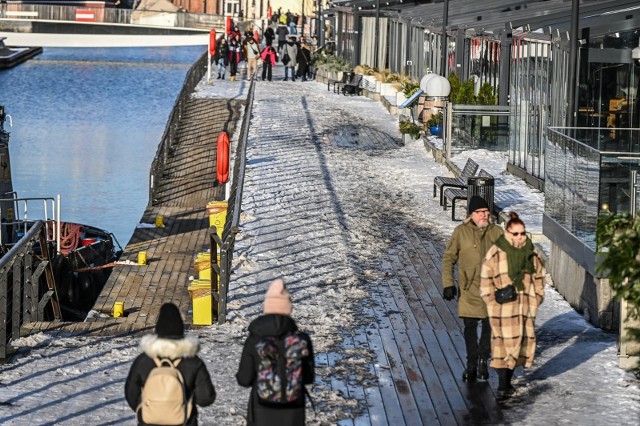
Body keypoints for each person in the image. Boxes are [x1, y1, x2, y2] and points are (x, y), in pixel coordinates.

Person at [480, 212, 545, 400]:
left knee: (518, 345)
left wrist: (537, 297)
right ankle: (503, 386)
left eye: (522, 233)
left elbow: (539, 277)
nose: (519, 237)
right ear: (508, 232)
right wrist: (491, 301)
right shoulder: (496, 251)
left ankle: (506, 383)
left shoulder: (531, 253)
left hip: (524, 308)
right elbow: (485, 279)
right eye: (515, 234)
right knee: (503, 346)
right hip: (502, 308)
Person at [236, 279, 315, 426]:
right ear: (288, 308)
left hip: (262, 409)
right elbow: (309, 378)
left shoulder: (255, 339)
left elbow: (244, 379)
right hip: (294, 410)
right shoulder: (302, 340)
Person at [442, 195, 503, 382]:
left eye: (486, 212)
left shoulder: (497, 232)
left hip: (491, 290)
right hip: (468, 289)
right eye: (480, 212)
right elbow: (448, 258)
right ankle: (471, 363)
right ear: (472, 214)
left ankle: (484, 360)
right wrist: (448, 284)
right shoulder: (461, 232)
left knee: (488, 327)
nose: (484, 215)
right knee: (469, 328)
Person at [125, 303, 216, 425]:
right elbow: (206, 398)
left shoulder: (143, 360)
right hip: (185, 421)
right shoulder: (193, 362)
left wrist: (149, 409)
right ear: (180, 329)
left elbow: (131, 393)